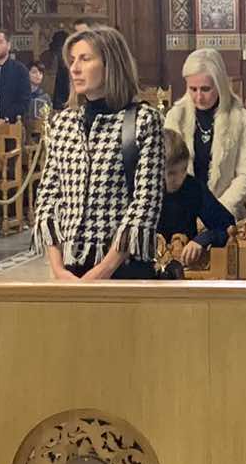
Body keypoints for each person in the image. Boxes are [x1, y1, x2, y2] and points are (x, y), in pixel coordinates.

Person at [33, 25, 164, 281]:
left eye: (85, 59)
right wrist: (58, 270)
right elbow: (47, 199)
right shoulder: (64, 123)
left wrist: (101, 272)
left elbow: (145, 204)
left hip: (123, 268)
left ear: (110, 64)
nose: (74, 68)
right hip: (70, 269)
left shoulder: (144, 121)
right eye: (72, 60)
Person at [163, 48, 246, 217]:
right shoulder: (176, 116)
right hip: (183, 213)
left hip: (227, 212)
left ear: (220, 85)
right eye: (193, 89)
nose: (199, 97)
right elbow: (168, 167)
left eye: (205, 89)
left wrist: (215, 212)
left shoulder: (242, 118)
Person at [158, 128, 234, 267]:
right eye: (172, 173)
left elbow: (227, 226)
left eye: (184, 170)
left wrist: (202, 240)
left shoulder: (193, 187)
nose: (179, 179)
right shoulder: (141, 190)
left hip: (185, 265)